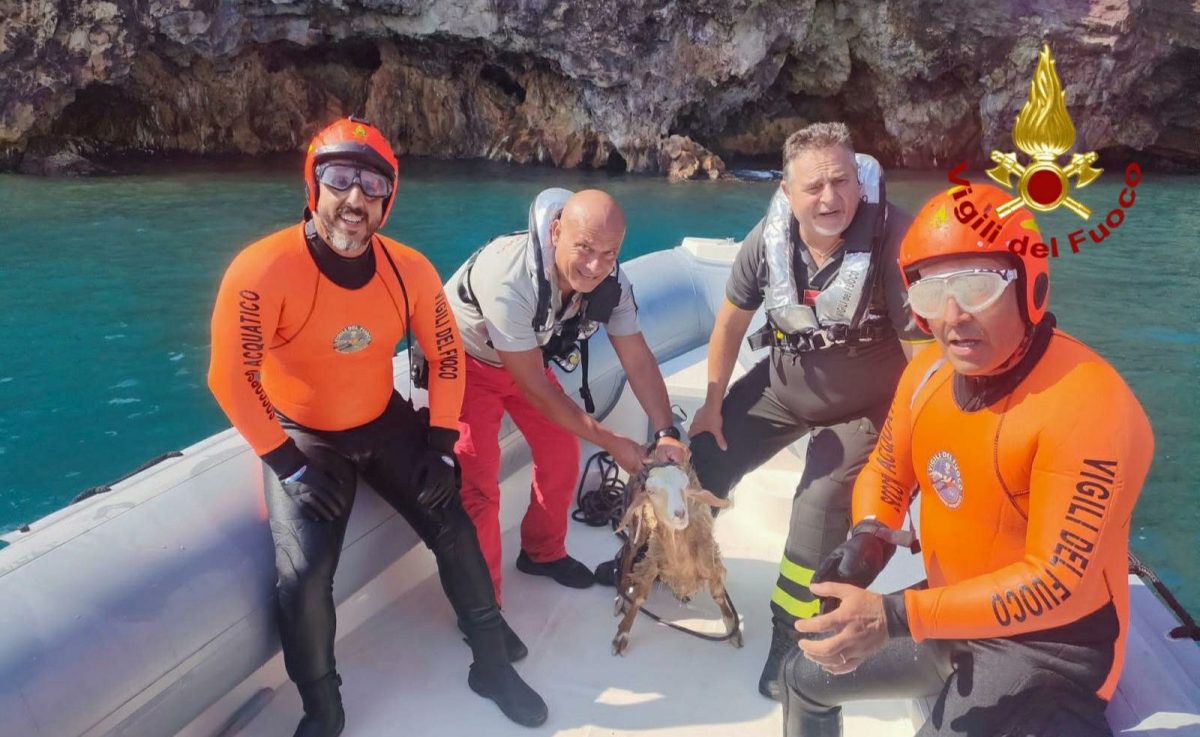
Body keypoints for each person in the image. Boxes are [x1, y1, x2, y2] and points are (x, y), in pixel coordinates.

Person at [208, 116, 547, 735]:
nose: (354, 198)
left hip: (383, 419)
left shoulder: (409, 269)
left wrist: (440, 444)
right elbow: (231, 377)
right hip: (305, 437)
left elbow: (447, 357)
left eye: (372, 185)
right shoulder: (262, 269)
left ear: (388, 200)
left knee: (453, 521)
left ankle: (491, 663)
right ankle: (324, 708)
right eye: (339, 178)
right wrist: (287, 464)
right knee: (303, 575)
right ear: (312, 185)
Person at [780, 183, 1154, 737]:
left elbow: (1055, 582)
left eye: (978, 287)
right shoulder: (926, 373)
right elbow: (887, 471)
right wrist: (871, 534)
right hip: (947, 609)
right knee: (801, 675)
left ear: (1028, 284)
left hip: (1050, 647)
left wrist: (896, 616)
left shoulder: (1089, 405)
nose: (953, 317)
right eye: (931, 294)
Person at [670, 122, 931, 699]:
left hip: (868, 408)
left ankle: (793, 640)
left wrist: (912, 451)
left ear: (859, 182)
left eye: (841, 181)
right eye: (814, 187)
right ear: (787, 192)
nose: (830, 198)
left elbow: (924, 364)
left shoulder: (896, 242)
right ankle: (672, 562)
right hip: (784, 385)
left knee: (817, 506)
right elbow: (731, 321)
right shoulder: (768, 238)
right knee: (703, 458)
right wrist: (711, 405)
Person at [444, 187, 688, 603]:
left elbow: (636, 357)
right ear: (556, 232)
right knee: (478, 485)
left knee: (561, 453)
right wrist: (612, 442)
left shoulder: (612, 282)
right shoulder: (509, 279)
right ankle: (482, 604)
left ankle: (541, 553)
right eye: (585, 248)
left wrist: (666, 432)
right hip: (467, 362)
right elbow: (534, 389)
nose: (595, 266)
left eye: (609, 253)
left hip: (525, 358)